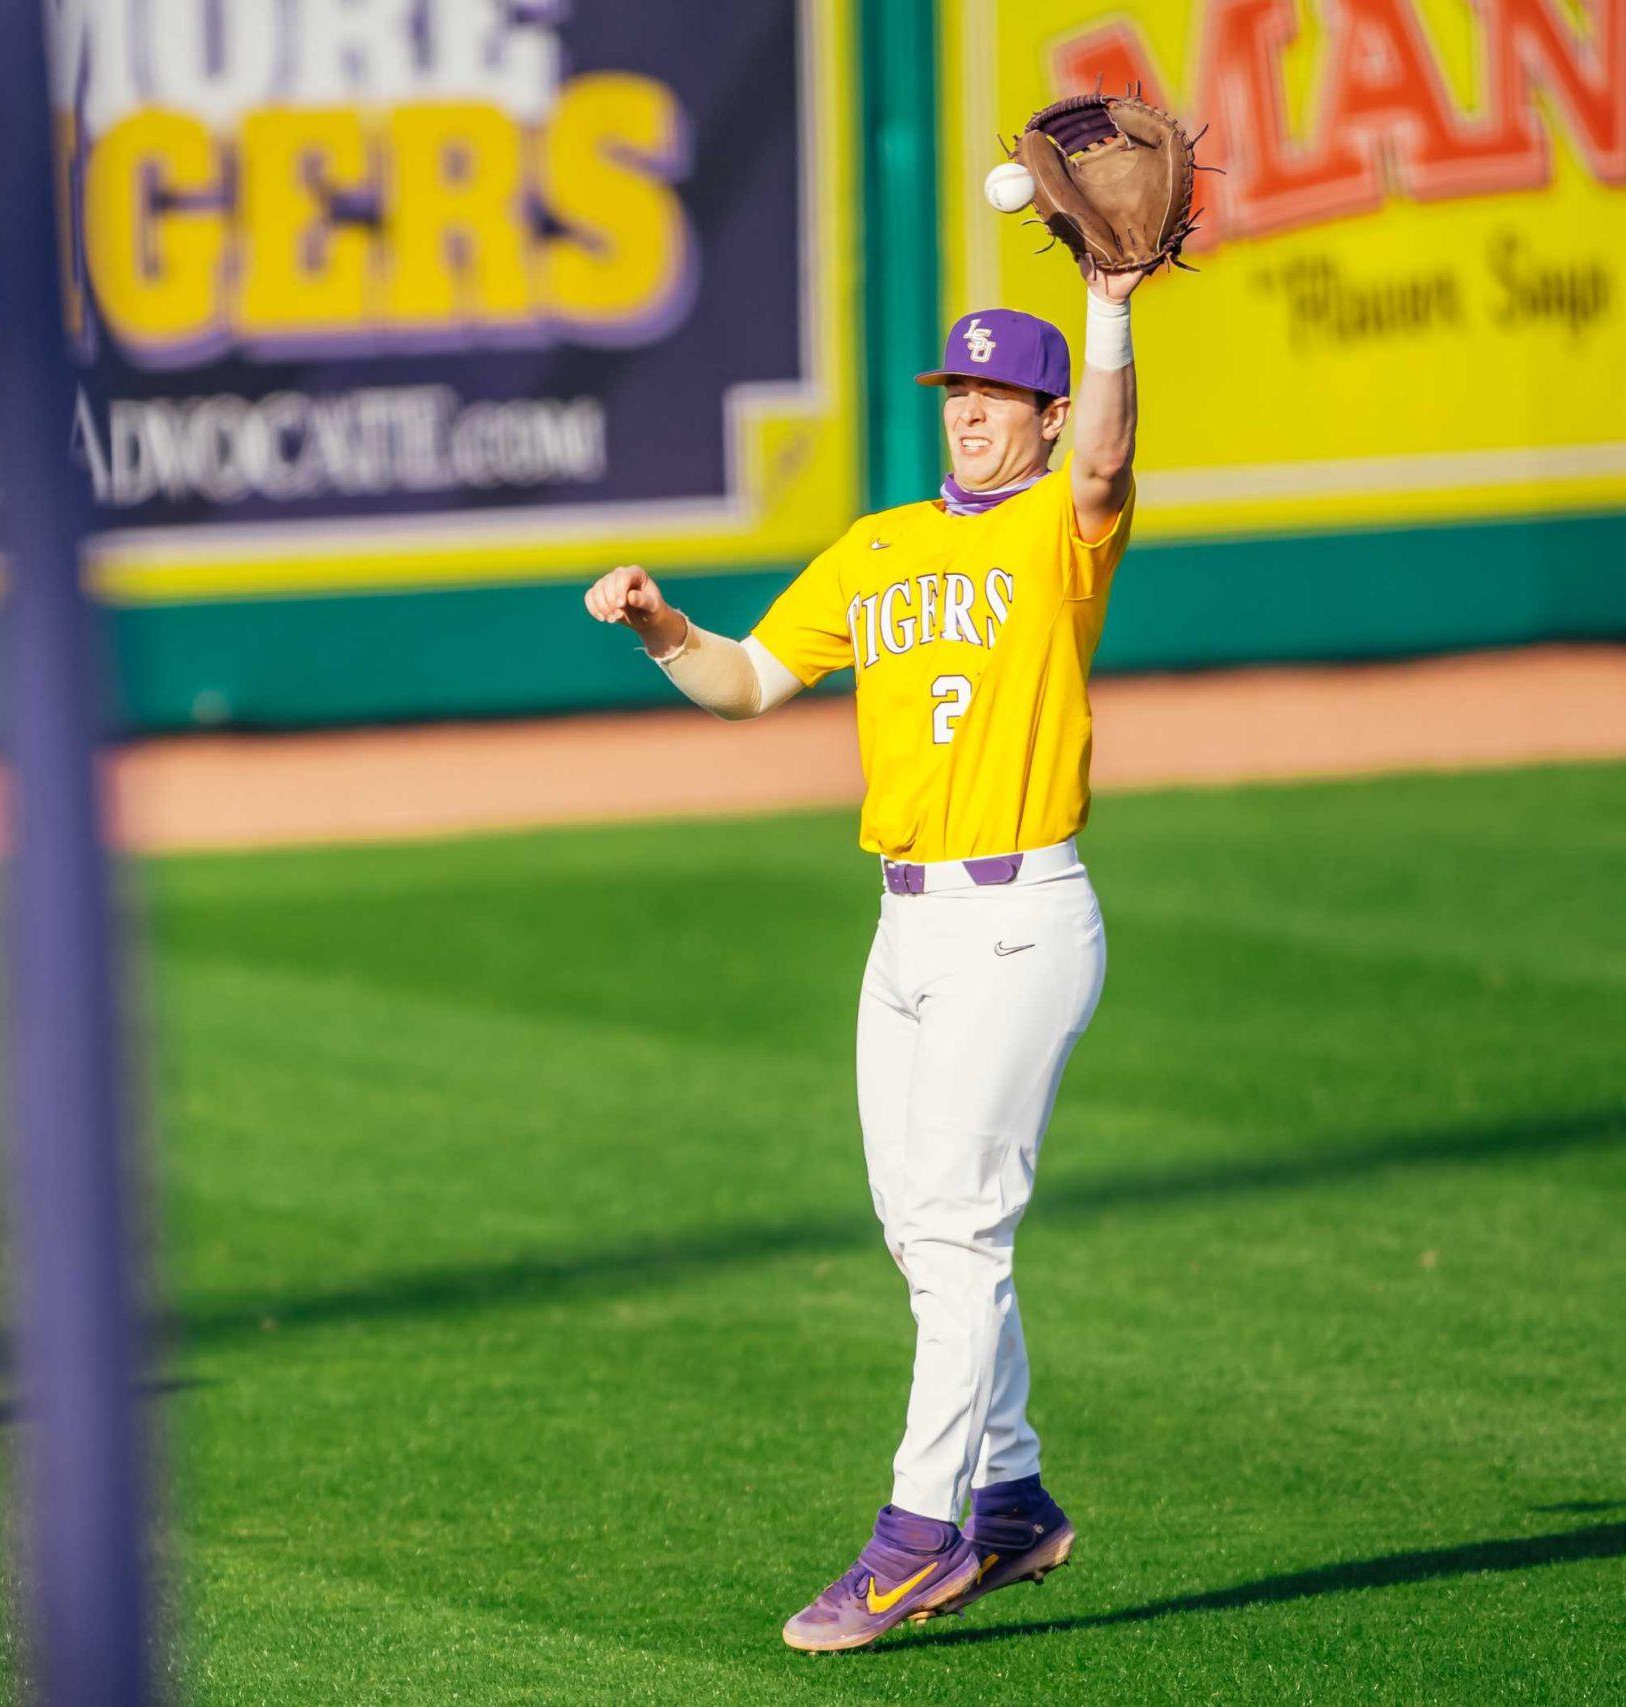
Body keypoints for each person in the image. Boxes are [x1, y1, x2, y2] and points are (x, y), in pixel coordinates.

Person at [581, 262, 1144, 1651]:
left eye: (1001, 395)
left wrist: (1118, 305)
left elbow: (1116, 458)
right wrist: (662, 627)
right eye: (958, 390)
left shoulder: (1061, 535)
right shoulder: (877, 547)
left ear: (1050, 416)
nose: (969, 413)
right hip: (901, 927)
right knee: (918, 1229)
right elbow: (748, 682)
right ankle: (1011, 1498)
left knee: (958, 1232)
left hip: (1018, 918)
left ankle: (916, 1539)